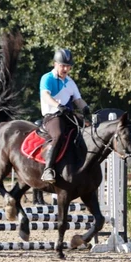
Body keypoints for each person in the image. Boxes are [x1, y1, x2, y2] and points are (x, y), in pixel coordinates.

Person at [39, 49, 90, 183]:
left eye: (68, 66)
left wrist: (85, 108)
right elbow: (45, 95)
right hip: (52, 116)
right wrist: (58, 105)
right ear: (55, 64)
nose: (66, 68)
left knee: (89, 130)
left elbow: (78, 100)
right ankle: (48, 169)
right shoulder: (47, 78)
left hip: (68, 115)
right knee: (59, 135)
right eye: (63, 65)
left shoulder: (70, 82)